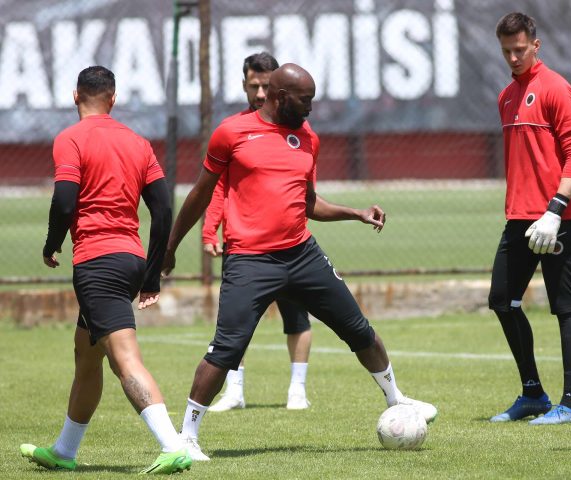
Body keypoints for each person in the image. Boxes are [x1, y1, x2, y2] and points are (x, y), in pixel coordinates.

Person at [162, 63, 437, 461]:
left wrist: (356, 213)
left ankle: (397, 399)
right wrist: (170, 247)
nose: (310, 107)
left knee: (359, 329)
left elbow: (308, 202)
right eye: (304, 100)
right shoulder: (231, 133)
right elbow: (200, 194)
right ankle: (187, 437)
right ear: (279, 97)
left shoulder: (308, 137)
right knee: (226, 349)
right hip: (249, 260)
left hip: (302, 254)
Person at [19, 66, 191, 474]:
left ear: (74, 95)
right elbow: (163, 209)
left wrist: (51, 243)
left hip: (97, 263)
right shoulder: (138, 142)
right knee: (86, 355)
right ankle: (64, 451)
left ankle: (173, 445)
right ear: (113, 99)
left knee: (123, 359)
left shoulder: (71, 138)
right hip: (130, 260)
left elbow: (65, 201)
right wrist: (151, 273)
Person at [488, 12, 571, 425]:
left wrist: (555, 209)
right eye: (506, 51)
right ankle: (533, 394)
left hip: (557, 218)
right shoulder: (506, 96)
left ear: (536, 45)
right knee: (501, 301)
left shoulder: (556, 88)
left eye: (520, 49)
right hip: (519, 219)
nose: (514, 57)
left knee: (565, 307)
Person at [202, 52, 313, 413]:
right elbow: (217, 187)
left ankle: (297, 390)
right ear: (244, 85)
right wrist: (209, 230)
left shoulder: (300, 133)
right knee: (236, 324)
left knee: (297, 319)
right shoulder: (232, 130)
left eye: (267, 85)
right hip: (245, 248)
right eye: (254, 85)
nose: (261, 93)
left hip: (290, 247)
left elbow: (306, 191)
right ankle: (234, 391)